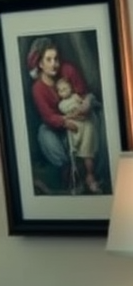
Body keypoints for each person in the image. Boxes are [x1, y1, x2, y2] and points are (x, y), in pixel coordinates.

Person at [27, 37, 102, 193]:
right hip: (59, 127)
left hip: (80, 117)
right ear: (40, 64)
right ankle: (67, 168)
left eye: (56, 59)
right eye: (49, 59)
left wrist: (85, 104)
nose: (54, 63)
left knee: (90, 122)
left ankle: (87, 171)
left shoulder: (68, 70)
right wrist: (65, 121)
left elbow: (82, 93)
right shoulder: (38, 88)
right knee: (43, 133)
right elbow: (48, 116)